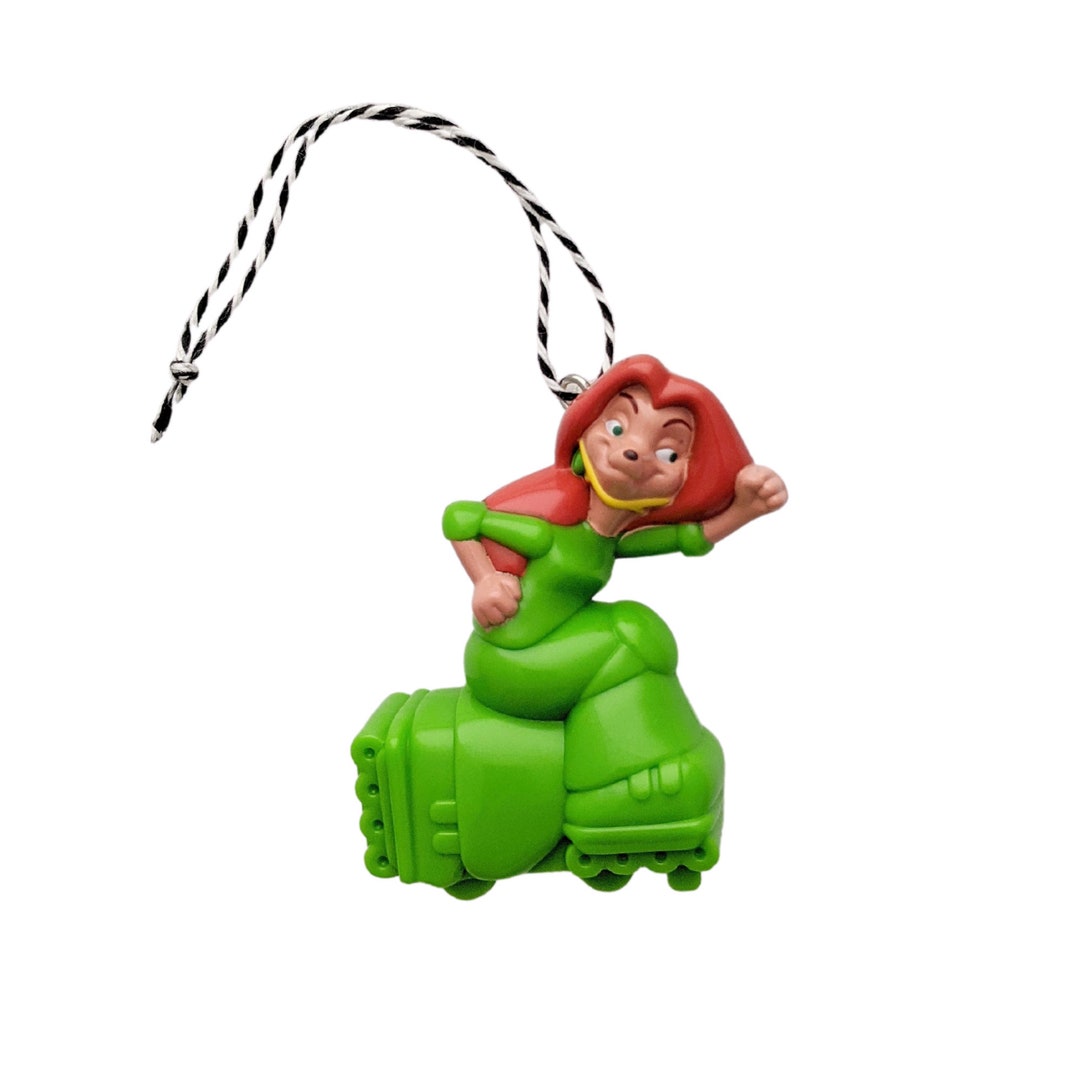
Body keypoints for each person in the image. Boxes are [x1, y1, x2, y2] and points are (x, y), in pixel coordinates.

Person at [442, 354, 787, 845]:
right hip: (507, 660)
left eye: (669, 453)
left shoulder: (608, 539)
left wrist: (746, 509)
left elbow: (689, 539)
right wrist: (485, 581)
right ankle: (607, 788)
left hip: (549, 649)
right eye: (619, 427)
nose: (634, 452)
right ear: (584, 430)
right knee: (632, 636)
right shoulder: (551, 521)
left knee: (639, 631)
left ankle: (649, 759)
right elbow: (461, 518)